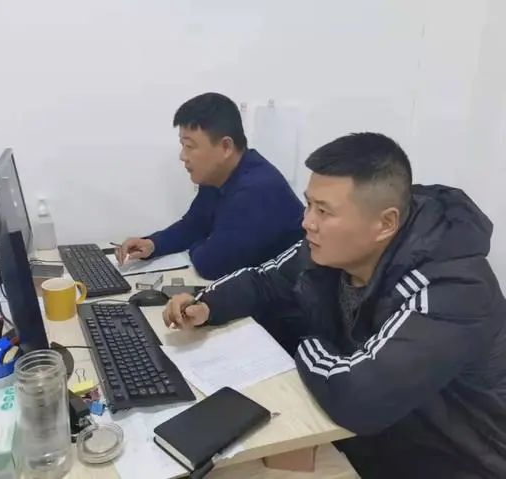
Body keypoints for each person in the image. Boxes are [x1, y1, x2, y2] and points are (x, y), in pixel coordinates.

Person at [162, 132, 506, 478]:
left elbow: (361, 399)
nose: (307, 222)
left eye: (324, 211)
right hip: (375, 441)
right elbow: (264, 281)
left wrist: (304, 343)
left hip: (454, 460)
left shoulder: (453, 289)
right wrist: (206, 305)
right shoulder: (334, 248)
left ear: (385, 223)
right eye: (309, 204)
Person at [115, 92, 305, 280]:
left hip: (292, 293)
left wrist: (203, 242)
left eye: (190, 146)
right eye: (182, 145)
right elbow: (194, 225)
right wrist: (153, 244)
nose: (182, 156)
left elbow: (211, 265)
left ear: (225, 147)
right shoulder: (217, 176)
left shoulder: (256, 190)